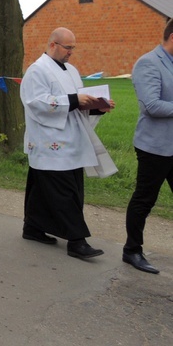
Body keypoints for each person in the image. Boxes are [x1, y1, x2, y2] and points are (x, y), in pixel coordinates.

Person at [20, 27, 115, 260]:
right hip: (50, 142)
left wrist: (97, 107)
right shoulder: (37, 71)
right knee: (65, 194)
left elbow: (79, 102)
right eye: (68, 47)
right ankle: (77, 241)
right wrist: (74, 99)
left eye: (73, 47)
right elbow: (37, 103)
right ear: (53, 44)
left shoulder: (71, 70)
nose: (71, 52)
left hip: (71, 140)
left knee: (44, 189)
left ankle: (32, 227)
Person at [122, 19, 173, 274]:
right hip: (154, 147)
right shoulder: (149, 63)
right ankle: (132, 250)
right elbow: (151, 106)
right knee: (145, 198)